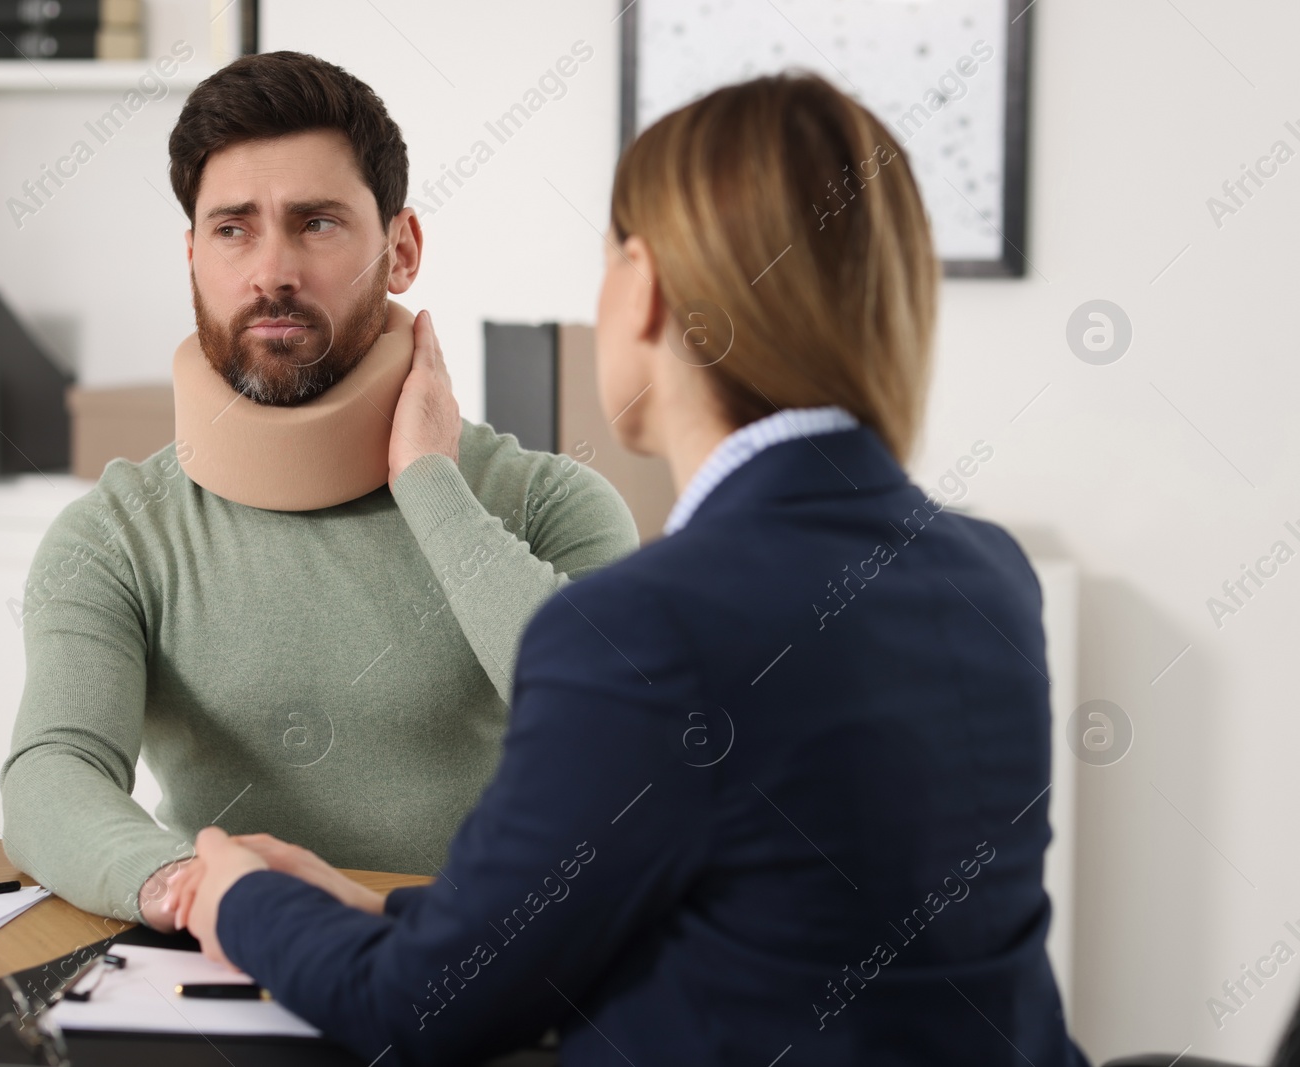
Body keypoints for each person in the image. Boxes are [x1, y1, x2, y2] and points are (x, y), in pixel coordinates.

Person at [161, 70, 1093, 1066]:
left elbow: (418, 1008)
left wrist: (236, 895)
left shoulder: (651, 626)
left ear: (641, 284)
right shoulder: (985, 572)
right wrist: (389, 903)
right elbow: (753, 903)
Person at [0, 51, 639, 930]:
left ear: (401, 248)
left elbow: (616, 742)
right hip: (230, 962)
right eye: (233, 229)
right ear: (192, 256)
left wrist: (431, 486)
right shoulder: (115, 536)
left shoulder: (551, 505)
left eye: (317, 223)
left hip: (479, 978)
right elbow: (52, 773)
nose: (272, 272)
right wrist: (192, 891)